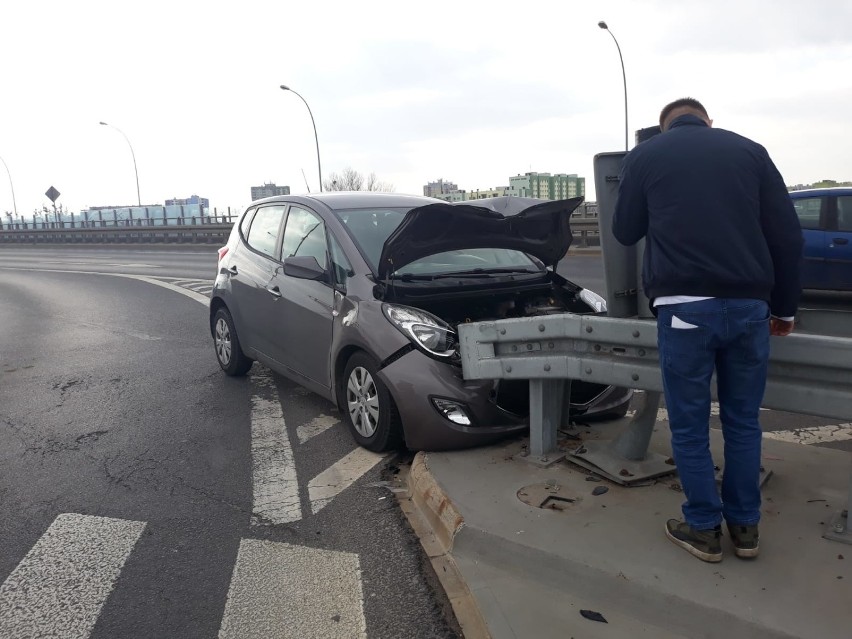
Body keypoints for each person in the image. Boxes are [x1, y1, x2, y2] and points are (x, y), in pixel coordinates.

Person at [612, 98, 803, 562]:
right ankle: (745, 528)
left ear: (664, 126)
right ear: (708, 120)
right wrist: (785, 308)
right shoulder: (750, 151)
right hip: (749, 307)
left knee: (690, 424)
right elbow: (787, 234)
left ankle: (702, 529)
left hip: (682, 309)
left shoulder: (646, 156)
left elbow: (624, 230)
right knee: (742, 421)